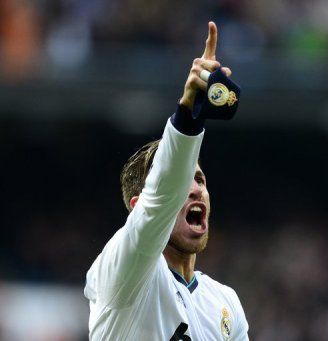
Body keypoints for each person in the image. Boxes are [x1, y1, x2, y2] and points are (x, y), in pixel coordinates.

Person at [84, 21, 249, 341]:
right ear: (137, 208)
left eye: (199, 179)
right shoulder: (124, 273)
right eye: (181, 182)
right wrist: (191, 115)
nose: (194, 189)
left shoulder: (225, 302)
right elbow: (161, 196)